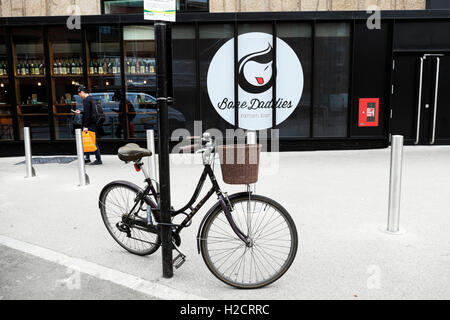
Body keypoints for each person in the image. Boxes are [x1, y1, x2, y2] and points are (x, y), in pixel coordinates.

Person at [75, 85, 102, 165]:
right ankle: (87, 158)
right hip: (93, 122)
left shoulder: (86, 100)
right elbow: (90, 112)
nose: (79, 95)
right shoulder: (91, 98)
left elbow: (87, 114)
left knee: (92, 141)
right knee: (88, 140)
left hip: (89, 124)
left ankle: (98, 159)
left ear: (82, 92)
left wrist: (85, 126)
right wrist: (81, 112)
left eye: (79, 93)